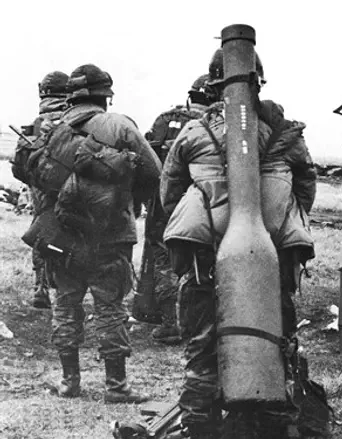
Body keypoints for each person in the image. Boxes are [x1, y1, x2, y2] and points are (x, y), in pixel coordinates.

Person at [160, 47, 316, 439]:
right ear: (259, 81)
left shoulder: (193, 132)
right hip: (272, 252)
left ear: (213, 85)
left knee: (201, 343)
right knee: (276, 334)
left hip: (203, 255)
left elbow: (170, 191)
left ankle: (200, 424)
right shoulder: (285, 131)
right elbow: (306, 185)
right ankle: (272, 422)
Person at [28, 64, 161, 402]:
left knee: (65, 304)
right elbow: (154, 172)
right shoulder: (119, 125)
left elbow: (31, 174)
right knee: (111, 307)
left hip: (62, 234)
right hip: (111, 233)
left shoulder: (51, 129)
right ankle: (116, 386)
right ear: (106, 96)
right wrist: (129, 196)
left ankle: (70, 381)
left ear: (71, 96)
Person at [141, 74, 214, 345]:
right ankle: (196, 321)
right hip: (203, 205)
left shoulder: (165, 120)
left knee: (163, 258)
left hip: (163, 203)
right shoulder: (216, 125)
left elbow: (146, 160)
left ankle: (170, 322)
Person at [11, 71, 70, 309]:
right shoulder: (72, 119)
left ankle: (41, 287)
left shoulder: (37, 123)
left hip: (39, 188)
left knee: (40, 229)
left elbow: (19, 167)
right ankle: (65, 289)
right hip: (69, 187)